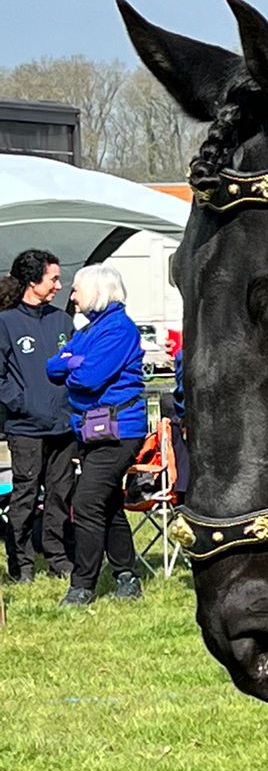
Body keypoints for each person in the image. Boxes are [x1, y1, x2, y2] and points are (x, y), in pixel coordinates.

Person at [45, 263, 148, 606]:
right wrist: (73, 361)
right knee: (108, 504)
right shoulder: (89, 329)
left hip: (118, 431)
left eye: (76, 288)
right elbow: (52, 366)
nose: (71, 295)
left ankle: (82, 585)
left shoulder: (118, 328)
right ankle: (126, 576)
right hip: (93, 430)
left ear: (96, 291)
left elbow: (87, 378)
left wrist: (73, 363)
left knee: (86, 502)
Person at [0, 248, 76, 582]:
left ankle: (58, 558)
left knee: (60, 497)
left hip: (63, 426)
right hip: (26, 427)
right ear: (33, 281)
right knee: (25, 496)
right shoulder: (5, 321)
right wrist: (22, 403)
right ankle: (22, 566)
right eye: (54, 278)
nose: (59, 285)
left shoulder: (62, 320)